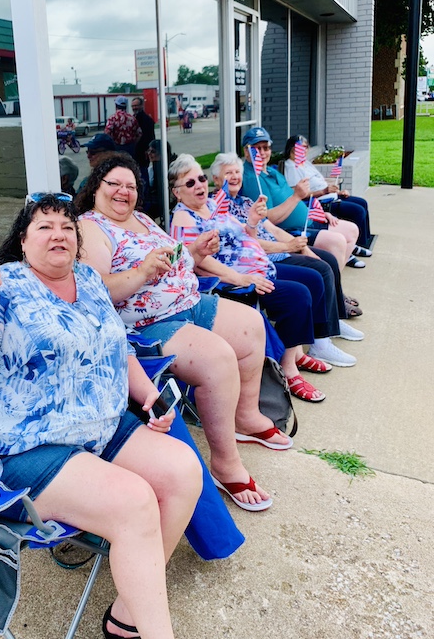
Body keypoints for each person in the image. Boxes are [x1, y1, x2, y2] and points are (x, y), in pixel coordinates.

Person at [0, 193, 203, 639]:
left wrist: (151, 397)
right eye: (44, 226)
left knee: (183, 472)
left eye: (66, 226)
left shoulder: (89, 279)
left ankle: (128, 614)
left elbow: (118, 344)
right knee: (134, 503)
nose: (58, 233)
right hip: (20, 442)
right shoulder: (0, 289)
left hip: (97, 425)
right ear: (23, 240)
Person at [76, 154, 294, 514]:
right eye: (113, 183)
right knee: (218, 358)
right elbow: (97, 291)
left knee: (251, 326)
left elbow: (177, 258)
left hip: (190, 301)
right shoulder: (91, 228)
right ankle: (225, 463)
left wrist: (193, 252)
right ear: (96, 187)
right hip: (145, 326)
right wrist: (144, 272)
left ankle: (246, 416)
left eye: (130, 185)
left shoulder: (143, 219)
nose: (122, 191)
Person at [169, 154, 328, 402]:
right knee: (298, 296)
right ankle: (288, 368)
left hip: (260, 269)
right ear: (177, 193)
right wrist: (241, 278)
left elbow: (246, 234)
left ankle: (295, 352)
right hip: (235, 282)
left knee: (313, 279)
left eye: (200, 178)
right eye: (190, 183)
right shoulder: (183, 218)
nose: (199, 185)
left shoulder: (213, 204)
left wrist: (252, 221)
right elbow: (197, 260)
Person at [210, 152, 362, 368]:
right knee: (318, 272)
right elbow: (245, 244)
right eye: (228, 173)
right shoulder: (218, 207)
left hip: (278, 250)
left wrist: (300, 247)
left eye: (237, 172)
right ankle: (321, 340)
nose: (234, 176)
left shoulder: (245, 202)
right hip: (263, 258)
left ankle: (334, 319)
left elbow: (271, 228)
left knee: (325, 260)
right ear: (216, 179)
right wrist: (287, 247)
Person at [240, 127, 359, 274]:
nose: (262, 153)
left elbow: (292, 199)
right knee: (338, 241)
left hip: (309, 219)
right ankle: (335, 288)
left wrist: (318, 211)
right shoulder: (252, 179)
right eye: (257, 149)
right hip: (291, 231)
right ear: (246, 151)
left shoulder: (271, 171)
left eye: (266, 148)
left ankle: (335, 283)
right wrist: (297, 196)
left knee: (352, 230)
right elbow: (268, 219)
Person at [282, 134, 374, 260]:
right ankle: (351, 250)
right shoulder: (291, 167)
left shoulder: (305, 163)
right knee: (357, 210)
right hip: (320, 201)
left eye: (307, 147)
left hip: (331, 195)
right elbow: (296, 193)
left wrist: (338, 191)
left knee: (362, 203)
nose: (306, 150)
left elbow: (319, 181)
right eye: (302, 147)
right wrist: (324, 191)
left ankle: (360, 243)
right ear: (292, 149)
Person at [131, 96, 156, 169]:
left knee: (143, 171)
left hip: (143, 152)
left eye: (136, 105)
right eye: (133, 106)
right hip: (135, 151)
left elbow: (150, 137)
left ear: (142, 106)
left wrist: (148, 150)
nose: (134, 108)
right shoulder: (132, 118)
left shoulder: (147, 120)